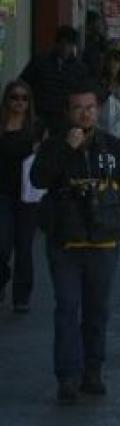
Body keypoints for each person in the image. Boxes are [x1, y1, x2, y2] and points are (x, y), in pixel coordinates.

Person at [30, 80, 120, 404]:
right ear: (69, 111)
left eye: (90, 108)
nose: (85, 114)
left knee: (97, 311)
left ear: (98, 110)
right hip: (65, 245)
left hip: (103, 244)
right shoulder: (56, 145)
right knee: (67, 309)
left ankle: (92, 371)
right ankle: (67, 376)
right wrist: (65, 148)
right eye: (78, 108)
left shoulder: (112, 148)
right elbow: (38, 179)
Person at [0, 81, 41, 313]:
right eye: (15, 97)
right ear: (7, 99)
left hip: (27, 196)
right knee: (2, 245)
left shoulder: (36, 128)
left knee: (24, 247)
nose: (19, 102)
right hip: (2, 194)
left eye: (24, 98)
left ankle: (21, 297)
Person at [20, 26, 90, 136]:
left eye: (70, 44)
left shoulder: (79, 69)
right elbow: (23, 84)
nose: (66, 48)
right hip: (40, 116)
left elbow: (83, 94)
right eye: (63, 43)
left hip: (65, 120)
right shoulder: (40, 62)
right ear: (57, 43)